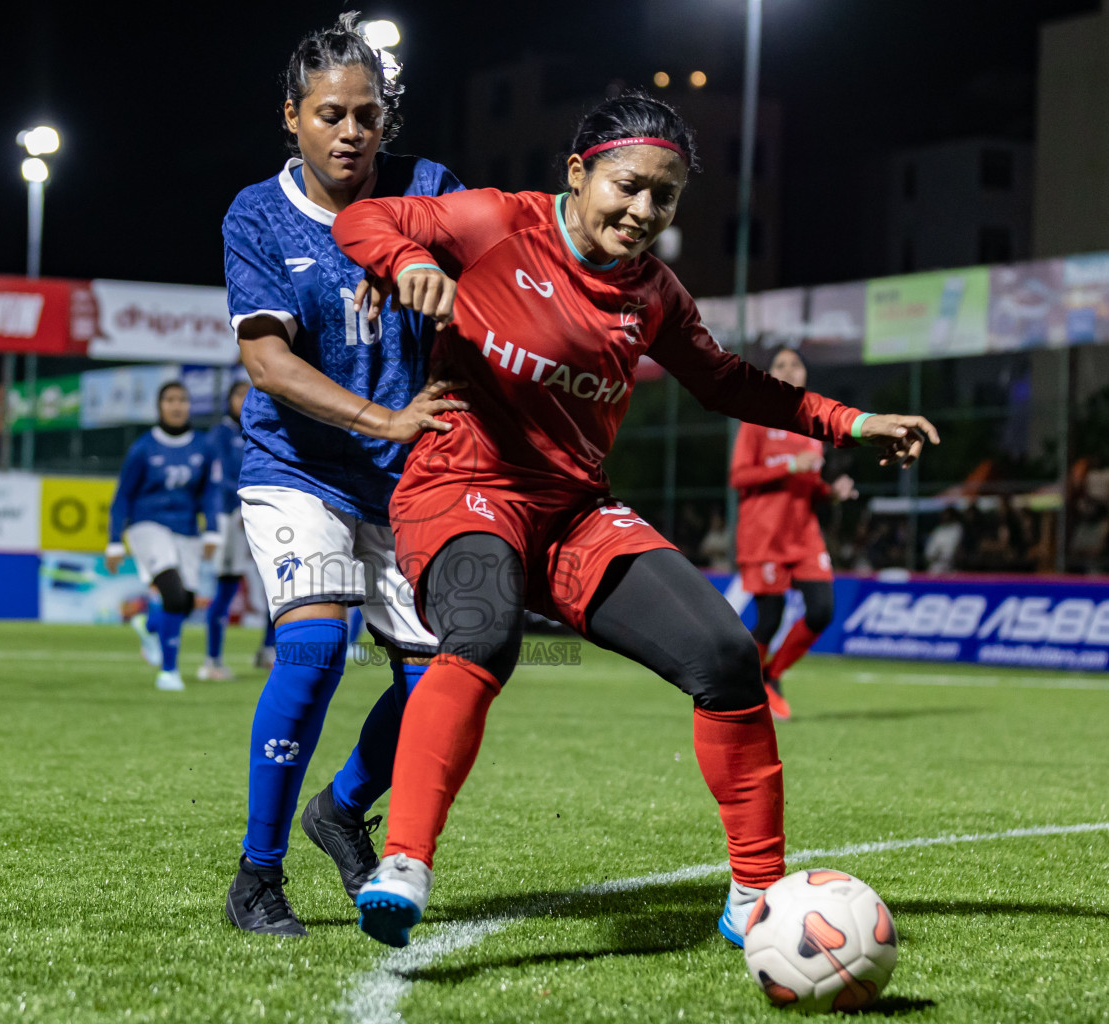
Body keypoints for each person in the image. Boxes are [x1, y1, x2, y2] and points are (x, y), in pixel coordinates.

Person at [331, 90, 937, 949]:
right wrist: (403, 259)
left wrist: (853, 422)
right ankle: (405, 862)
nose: (643, 210)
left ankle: (756, 897)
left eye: (665, 198)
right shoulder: (494, 223)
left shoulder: (653, 292)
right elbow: (363, 221)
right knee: (484, 630)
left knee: (728, 657)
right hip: (461, 486)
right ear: (579, 173)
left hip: (575, 512)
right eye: (627, 186)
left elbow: (729, 381)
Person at [219, 13, 466, 936]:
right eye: (329, 114)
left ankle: (341, 806)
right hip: (299, 469)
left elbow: (504, 271)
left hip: (413, 480)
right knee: (315, 652)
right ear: (293, 117)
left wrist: (411, 255)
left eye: (366, 114)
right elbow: (269, 365)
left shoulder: (432, 190)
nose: (350, 132)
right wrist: (383, 417)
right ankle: (257, 874)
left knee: (438, 682)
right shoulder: (258, 214)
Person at [730, 346, 858, 721]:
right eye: (780, 365)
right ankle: (745, 691)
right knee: (770, 618)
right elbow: (739, 477)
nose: (788, 370)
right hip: (765, 535)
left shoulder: (811, 428)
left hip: (803, 535)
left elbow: (810, 483)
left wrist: (832, 493)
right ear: (769, 375)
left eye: (795, 364)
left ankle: (772, 675)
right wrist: (788, 464)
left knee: (822, 610)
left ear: (804, 375)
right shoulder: (754, 420)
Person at [107, 381, 221, 692]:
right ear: (160, 406)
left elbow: (209, 493)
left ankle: (149, 625)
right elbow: (122, 497)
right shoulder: (143, 447)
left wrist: (212, 529)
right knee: (172, 593)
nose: (176, 405)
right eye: (170, 400)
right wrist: (115, 540)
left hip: (187, 529)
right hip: (147, 525)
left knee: (184, 603)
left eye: (182, 400)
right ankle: (168, 671)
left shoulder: (203, 447)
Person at [200, 380, 255, 681]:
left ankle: (267, 652)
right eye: (238, 394)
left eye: (250, 392)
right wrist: (243, 504)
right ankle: (211, 659)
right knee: (222, 591)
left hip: (249, 516)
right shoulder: (220, 434)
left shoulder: (257, 429)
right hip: (227, 517)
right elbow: (216, 479)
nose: (245, 399)